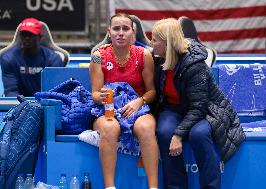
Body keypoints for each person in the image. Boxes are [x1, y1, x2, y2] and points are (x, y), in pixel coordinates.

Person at [151, 18, 245, 189]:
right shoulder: (157, 58)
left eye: (155, 40)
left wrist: (178, 135)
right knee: (164, 132)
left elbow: (199, 106)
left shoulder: (195, 65)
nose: (151, 44)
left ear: (167, 43)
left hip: (205, 110)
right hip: (173, 108)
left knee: (198, 135)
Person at [89, 13, 158, 189]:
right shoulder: (98, 55)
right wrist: (104, 96)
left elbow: (152, 92)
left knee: (146, 127)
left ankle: (153, 186)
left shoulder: (144, 55)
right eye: (116, 28)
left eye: (125, 28)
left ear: (133, 32)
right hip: (108, 109)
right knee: (110, 128)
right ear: (109, 32)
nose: (121, 33)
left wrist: (138, 102)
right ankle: (110, 186)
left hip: (137, 108)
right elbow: (95, 94)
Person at [0, 17, 64, 97]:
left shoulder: (53, 59)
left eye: (31, 35)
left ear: (40, 37)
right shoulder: (9, 59)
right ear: (20, 36)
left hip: (46, 104)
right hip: (19, 105)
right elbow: (11, 91)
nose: (27, 38)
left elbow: (55, 91)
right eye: (24, 34)